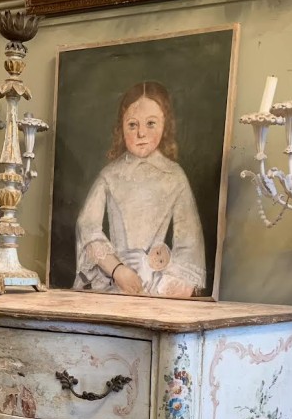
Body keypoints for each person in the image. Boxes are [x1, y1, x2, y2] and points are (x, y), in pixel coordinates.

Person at [74, 81, 206, 298]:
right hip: (113, 282)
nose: (141, 133)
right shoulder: (110, 174)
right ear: (121, 127)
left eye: (151, 123)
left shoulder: (175, 176)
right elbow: (87, 227)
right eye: (132, 125)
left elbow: (189, 245)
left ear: (165, 125)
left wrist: (161, 286)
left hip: (157, 285)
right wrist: (118, 270)